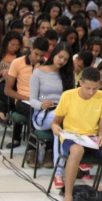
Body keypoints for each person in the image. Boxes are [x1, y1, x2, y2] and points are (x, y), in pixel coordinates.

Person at [51, 67, 102, 201]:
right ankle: (68, 197)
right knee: (77, 151)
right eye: (88, 88)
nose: (91, 92)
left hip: (93, 138)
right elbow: (56, 122)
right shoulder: (68, 96)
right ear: (80, 83)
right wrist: (56, 128)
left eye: (95, 88)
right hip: (72, 138)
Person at [29, 42, 74, 179]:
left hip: (61, 113)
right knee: (60, 122)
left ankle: (60, 170)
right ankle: (59, 171)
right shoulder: (39, 72)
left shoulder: (67, 75)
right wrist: (42, 105)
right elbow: (32, 100)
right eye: (60, 57)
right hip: (42, 114)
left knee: (60, 127)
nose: (62, 61)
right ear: (54, 54)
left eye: (66, 59)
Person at [4, 37, 48, 162]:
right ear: (31, 48)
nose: (39, 58)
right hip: (22, 100)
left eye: (42, 56)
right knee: (32, 111)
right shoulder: (17, 63)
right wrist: (26, 97)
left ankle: (48, 150)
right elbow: (8, 90)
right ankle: (31, 150)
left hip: (41, 100)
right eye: (36, 54)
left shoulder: (46, 65)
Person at [0, 31, 23, 124]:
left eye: (17, 46)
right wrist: (0, 73)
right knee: (10, 94)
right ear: (6, 43)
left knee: (18, 95)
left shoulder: (20, 58)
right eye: (12, 45)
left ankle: (2, 112)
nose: (14, 48)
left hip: (15, 85)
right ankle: (3, 113)